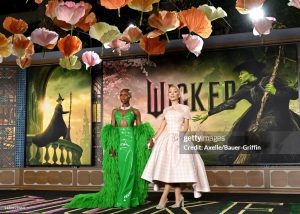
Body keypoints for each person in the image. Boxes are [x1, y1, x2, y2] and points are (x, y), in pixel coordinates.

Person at [193, 60, 300, 164]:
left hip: (278, 115)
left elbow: (294, 95)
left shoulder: (270, 80)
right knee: (246, 135)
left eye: (242, 73)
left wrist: (275, 91)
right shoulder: (244, 88)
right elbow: (229, 103)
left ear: (251, 72)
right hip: (257, 116)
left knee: (268, 132)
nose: (239, 76)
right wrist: (208, 113)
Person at [64, 89, 154, 208]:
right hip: (119, 144)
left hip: (131, 143)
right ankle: (122, 196)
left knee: (130, 171)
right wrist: (112, 146)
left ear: (130, 96)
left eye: (125, 94)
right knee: (120, 171)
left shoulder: (135, 111)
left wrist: (147, 140)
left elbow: (140, 130)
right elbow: (112, 131)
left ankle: (125, 199)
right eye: (121, 94)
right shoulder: (114, 111)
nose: (123, 96)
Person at [142, 84, 210, 209]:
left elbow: (186, 127)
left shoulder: (184, 108)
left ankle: (164, 198)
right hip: (166, 140)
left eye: (175, 92)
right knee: (172, 170)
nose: (172, 94)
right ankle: (178, 198)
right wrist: (153, 139)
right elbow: (162, 127)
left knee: (175, 170)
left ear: (179, 95)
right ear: (168, 95)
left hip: (179, 139)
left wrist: (179, 135)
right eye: (170, 92)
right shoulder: (166, 110)